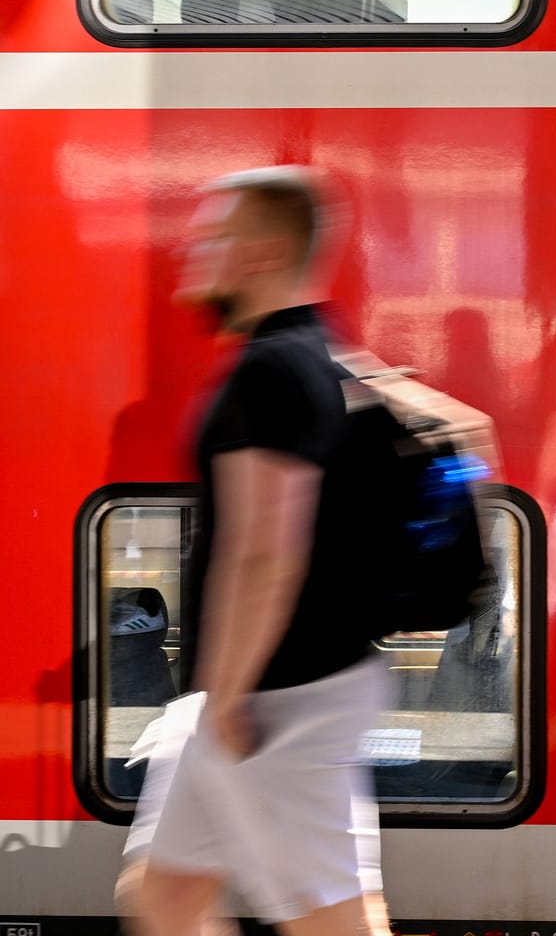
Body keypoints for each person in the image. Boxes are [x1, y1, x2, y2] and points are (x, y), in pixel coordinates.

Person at [119, 166, 392, 936]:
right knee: (163, 900)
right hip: (255, 693)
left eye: (216, 235)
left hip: (277, 699)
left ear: (265, 254)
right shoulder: (314, 352)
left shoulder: (271, 368)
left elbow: (265, 553)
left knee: (334, 924)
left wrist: (230, 696)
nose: (195, 248)